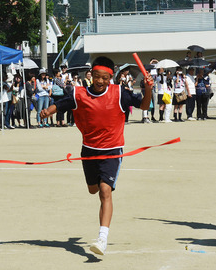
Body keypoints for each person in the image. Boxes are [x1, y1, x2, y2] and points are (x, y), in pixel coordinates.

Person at [39, 56, 153, 256]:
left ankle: (102, 238)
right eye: (97, 77)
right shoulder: (79, 94)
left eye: (105, 78)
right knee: (93, 190)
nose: (100, 82)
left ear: (111, 77)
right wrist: (48, 110)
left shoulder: (120, 93)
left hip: (112, 150)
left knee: (104, 191)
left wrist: (148, 89)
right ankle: (101, 229)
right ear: (90, 75)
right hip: (89, 150)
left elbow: (144, 106)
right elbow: (63, 103)